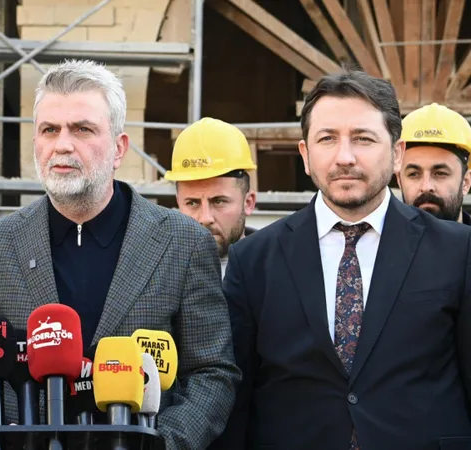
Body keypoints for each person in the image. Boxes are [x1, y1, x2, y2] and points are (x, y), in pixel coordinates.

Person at [0, 59, 239, 449]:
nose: (63, 145)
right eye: (49, 130)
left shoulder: (184, 242)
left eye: (82, 129)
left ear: (119, 148)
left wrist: (159, 444)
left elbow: (212, 373)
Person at [213, 70, 471, 450]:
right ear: (305, 155)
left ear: (397, 153)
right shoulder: (253, 261)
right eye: (327, 139)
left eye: (363, 138)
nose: (345, 157)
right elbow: (235, 398)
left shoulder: (458, 251)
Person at [164, 117, 258, 277]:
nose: (206, 218)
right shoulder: (159, 275)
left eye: (219, 201)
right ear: (178, 203)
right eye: (192, 203)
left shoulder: (276, 271)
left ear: (248, 203)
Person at [397, 102, 471, 225]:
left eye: (440, 173)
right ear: (399, 181)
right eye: (414, 174)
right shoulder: (378, 237)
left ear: (466, 182)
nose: (426, 187)